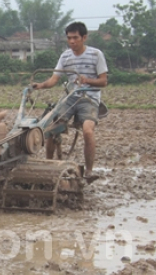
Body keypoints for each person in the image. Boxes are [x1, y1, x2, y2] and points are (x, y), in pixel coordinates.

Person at [32, 21, 108, 181]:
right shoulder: (65, 56)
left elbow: (103, 81)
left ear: (84, 37)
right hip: (70, 97)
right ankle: (50, 165)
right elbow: (54, 79)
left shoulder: (96, 55)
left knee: (88, 131)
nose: (72, 41)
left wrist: (87, 80)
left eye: (75, 38)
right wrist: (40, 85)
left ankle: (88, 171)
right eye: (69, 38)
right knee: (51, 126)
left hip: (89, 98)